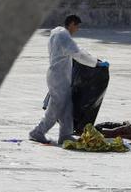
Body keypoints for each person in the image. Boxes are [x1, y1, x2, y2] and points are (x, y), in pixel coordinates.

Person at [29, 15, 107, 145]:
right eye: (77, 26)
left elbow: (77, 49)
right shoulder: (63, 36)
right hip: (59, 77)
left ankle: (65, 135)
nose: (77, 29)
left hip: (59, 76)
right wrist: (96, 63)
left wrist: (94, 59)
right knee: (56, 107)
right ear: (71, 24)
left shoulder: (57, 33)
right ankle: (37, 132)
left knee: (66, 106)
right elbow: (78, 54)